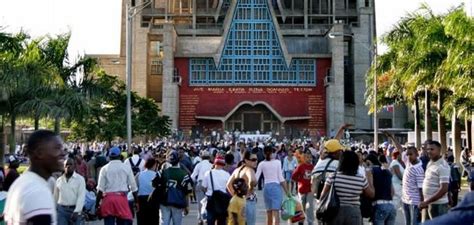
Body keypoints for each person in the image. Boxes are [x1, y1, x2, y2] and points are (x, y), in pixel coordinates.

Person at [4, 130, 67, 225]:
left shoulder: (24, 182)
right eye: (57, 148)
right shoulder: (37, 191)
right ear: (40, 153)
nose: (63, 153)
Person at [319, 150, 375, 225]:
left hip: (335, 212)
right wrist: (370, 179)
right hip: (354, 213)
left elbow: (323, 195)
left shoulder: (333, 176)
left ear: (341, 162)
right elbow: (371, 194)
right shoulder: (361, 178)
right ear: (355, 163)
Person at [96, 146, 138, 225]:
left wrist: (97, 204)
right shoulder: (126, 167)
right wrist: (136, 202)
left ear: (109, 157)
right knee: (123, 222)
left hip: (108, 200)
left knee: (108, 222)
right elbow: (134, 187)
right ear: (120, 156)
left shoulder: (104, 169)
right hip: (121, 199)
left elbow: (100, 189)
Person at [156, 150, 193, 225]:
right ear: (178, 160)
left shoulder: (162, 172)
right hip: (178, 202)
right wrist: (187, 206)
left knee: (164, 223)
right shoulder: (184, 175)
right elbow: (188, 191)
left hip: (164, 202)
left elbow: (154, 184)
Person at [256, 146, 289, 225]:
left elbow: (256, 178)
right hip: (276, 188)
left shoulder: (261, 164)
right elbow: (281, 179)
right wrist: (288, 193)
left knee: (268, 213)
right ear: (272, 153)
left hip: (266, 188)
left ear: (263, 154)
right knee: (276, 213)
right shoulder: (277, 162)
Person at [420, 140, 449, 222]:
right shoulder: (430, 163)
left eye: (432, 149)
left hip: (438, 205)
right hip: (428, 203)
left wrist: (427, 202)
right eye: (428, 149)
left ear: (439, 151)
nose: (429, 151)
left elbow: (444, 188)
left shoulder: (442, 166)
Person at [227, 151, 258, 225]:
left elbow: (228, 184)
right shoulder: (249, 169)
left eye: (256, 159)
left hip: (238, 202)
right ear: (246, 160)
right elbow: (252, 180)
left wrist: (235, 195)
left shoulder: (237, 170)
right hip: (248, 202)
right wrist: (250, 191)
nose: (256, 161)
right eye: (253, 160)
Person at [54, 158, 87, 225]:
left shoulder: (80, 180)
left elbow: (81, 196)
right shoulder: (59, 180)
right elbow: (55, 197)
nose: (68, 166)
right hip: (61, 211)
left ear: (74, 166)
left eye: (70, 164)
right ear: (63, 167)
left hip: (74, 210)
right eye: (66, 165)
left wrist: (77, 211)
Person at [365, 154, 396, 225]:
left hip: (379, 206)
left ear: (369, 162)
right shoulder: (387, 172)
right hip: (391, 206)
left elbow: (371, 192)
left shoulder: (370, 171)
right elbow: (393, 192)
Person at [202, 155, 231, 225]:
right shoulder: (227, 175)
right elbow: (229, 188)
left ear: (214, 163)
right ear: (223, 164)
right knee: (222, 221)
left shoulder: (208, 173)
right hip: (223, 201)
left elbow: (203, 187)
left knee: (210, 221)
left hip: (211, 199)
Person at [401, 146, 425, 225]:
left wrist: (422, 202)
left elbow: (421, 188)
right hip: (405, 200)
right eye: (407, 154)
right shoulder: (408, 163)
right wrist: (392, 138)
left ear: (417, 154)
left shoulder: (419, 170)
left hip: (414, 202)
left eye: (410, 154)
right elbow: (400, 149)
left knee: (413, 223)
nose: (408, 156)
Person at [291, 150, 315, 225]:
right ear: (304, 158)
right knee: (302, 206)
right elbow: (293, 176)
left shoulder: (313, 167)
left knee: (310, 207)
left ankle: (310, 222)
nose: (309, 159)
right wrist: (299, 180)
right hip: (301, 190)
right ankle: (300, 222)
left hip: (310, 190)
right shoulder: (301, 166)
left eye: (310, 157)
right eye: (307, 157)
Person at [191, 150, 213, 224]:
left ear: (201, 157)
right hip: (209, 185)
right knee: (208, 202)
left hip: (200, 183)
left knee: (200, 202)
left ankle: (200, 218)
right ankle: (207, 217)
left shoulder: (199, 165)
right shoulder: (211, 165)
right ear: (209, 158)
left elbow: (193, 176)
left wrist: (193, 185)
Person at [136, 158, 158, 225]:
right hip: (153, 200)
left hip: (141, 199)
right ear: (154, 165)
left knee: (142, 220)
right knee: (153, 220)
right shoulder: (156, 175)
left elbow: (134, 187)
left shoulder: (139, 174)